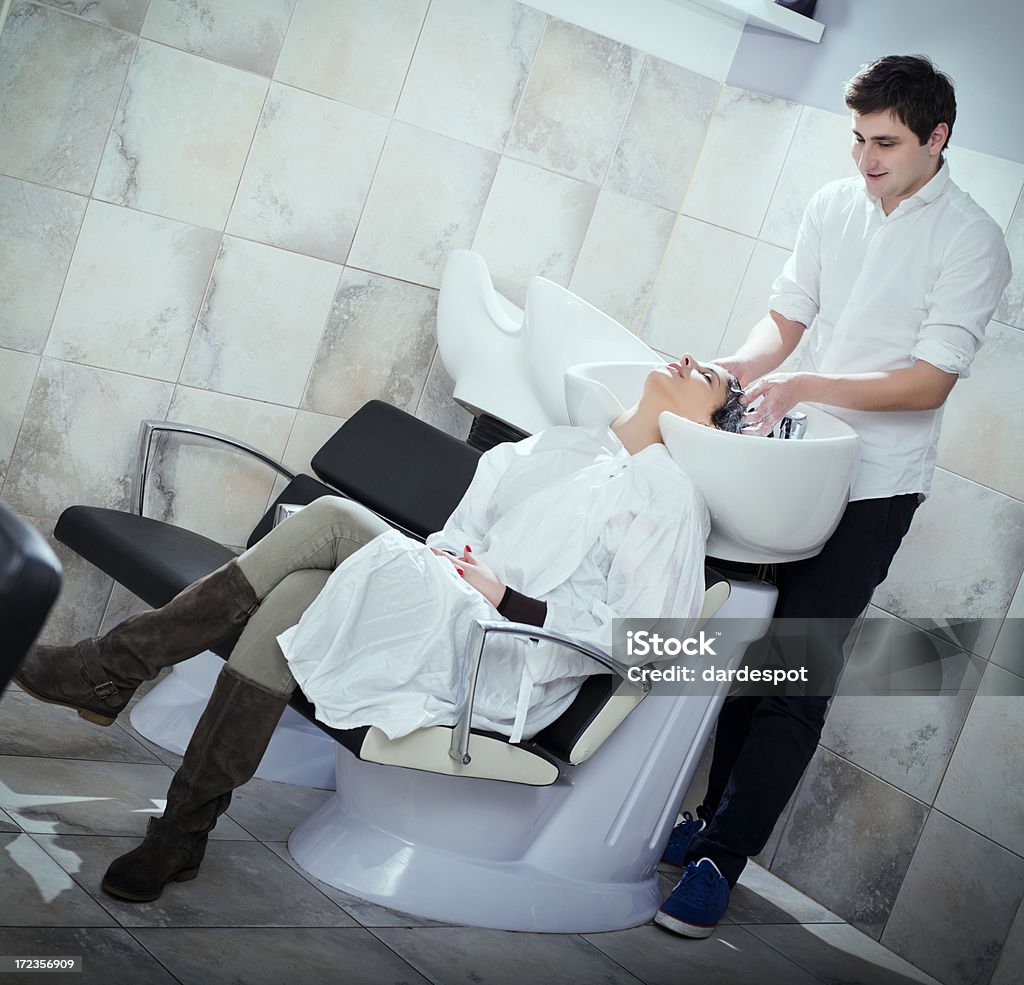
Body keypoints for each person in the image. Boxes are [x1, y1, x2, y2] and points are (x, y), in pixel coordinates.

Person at [15, 354, 744, 904]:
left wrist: (513, 600)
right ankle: (180, 832)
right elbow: (467, 527)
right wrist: (456, 562)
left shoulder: (670, 498)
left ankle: (107, 670)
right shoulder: (563, 445)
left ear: (712, 425)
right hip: (444, 599)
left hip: (503, 656)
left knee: (327, 523)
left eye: (708, 375)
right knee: (292, 598)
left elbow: (650, 642)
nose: (686, 361)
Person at [654, 54, 1012, 939]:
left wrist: (809, 385)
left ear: (937, 138)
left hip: (874, 488)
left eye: (885, 143)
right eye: (857, 138)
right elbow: (783, 322)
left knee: (796, 671)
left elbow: (929, 383)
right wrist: (729, 369)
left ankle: (718, 860)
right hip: (791, 467)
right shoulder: (831, 205)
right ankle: (709, 820)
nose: (865, 158)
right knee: (752, 649)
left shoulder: (972, 240)